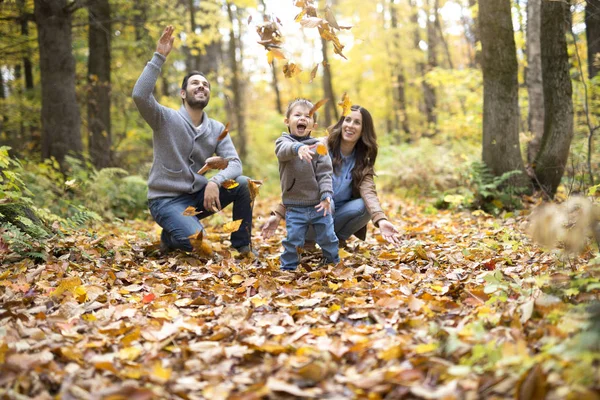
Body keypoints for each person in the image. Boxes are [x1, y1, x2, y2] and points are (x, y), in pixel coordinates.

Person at [132, 26, 254, 255]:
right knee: (201, 246)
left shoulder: (217, 128)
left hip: (197, 200)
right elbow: (139, 95)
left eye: (206, 85)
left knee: (244, 183)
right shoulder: (164, 118)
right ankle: (171, 233)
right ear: (183, 93)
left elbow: (235, 163)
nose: (201, 86)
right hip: (165, 201)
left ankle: (243, 246)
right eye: (195, 83)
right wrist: (159, 56)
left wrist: (214, 182)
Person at [263, 104, 402, 247]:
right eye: (347, 120)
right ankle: (308, 240)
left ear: (363, 130)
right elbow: (299, 182)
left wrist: (381, 220)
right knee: (329, 201)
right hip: (313, 211)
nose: (350, 125)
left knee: (365, 206)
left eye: (357, 122)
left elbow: (369, 192)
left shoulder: (362, 159)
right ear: (342, 123)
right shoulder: (321, 146)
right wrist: (279, 214)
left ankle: (337, 240)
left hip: (338, 215)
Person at [275, 99, 340, 271]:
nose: (302, 118)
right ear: (287, 121)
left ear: (313, 125)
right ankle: (288, 267)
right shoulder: (283, 142)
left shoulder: (319, 147)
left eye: (307, 116)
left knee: (328, 236)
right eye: (297, 115)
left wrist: (326, 194)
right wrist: (297, 148)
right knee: (293, 239)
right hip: (295, 206)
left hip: (318, 204)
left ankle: (332, 262)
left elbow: (325, 173)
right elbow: (283, 151)